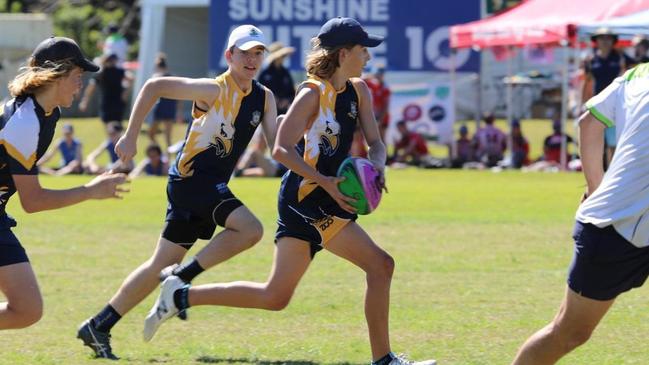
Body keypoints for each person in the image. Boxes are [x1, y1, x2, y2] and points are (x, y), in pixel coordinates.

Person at [145, 17, 436, 365]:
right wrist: (326, 181)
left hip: (328, 195)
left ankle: (180, 297)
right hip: (307, 198)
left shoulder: (359, 90)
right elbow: (281, 149)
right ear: (344, 54)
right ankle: (384, 360)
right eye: (363, 51)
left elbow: (375, 142)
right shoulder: (312, 93)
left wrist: (378, 166)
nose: (368, 57)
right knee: (381, 265)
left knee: (275, 296)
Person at [77, 25, 277, 359]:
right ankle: (179, 281)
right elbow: (154, 86)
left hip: (207, 185)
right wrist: (129, 136)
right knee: (250, 229)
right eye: (245, 53)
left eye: (258, 53)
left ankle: (98, 325)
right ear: (229, 55)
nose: (252, 59)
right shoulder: (212, 89)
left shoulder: (264, 97)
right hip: (191, 180)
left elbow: (277, 145)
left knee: (161, 262)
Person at [511, 62, 649, 365]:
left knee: (567, 333)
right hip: (617, 226)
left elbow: (589, 121)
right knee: (570, 332)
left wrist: (595, 187)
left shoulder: (639, 74)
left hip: (611, 218)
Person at [0, 36, 127, 331]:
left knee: (27, 309)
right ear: (57, 74)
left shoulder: (48, 114)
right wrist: (90, 191)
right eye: (77, 76)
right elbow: (33, 202)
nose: (81, 84)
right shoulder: (24, 122)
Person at [582, 27, 626, 166]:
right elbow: (587, 82)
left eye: (608, 38)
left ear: (613, 41)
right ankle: (600, 176)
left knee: (614, 143)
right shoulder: (591, 59)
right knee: (596, 143)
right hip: (597, 103)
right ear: (597, 41)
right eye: (602, 38)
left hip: (616, 104)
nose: (605, 41)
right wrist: (583, 103)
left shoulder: (620, 58)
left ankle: (613, 174)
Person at [78, 53, 133, 130]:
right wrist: (125, 92)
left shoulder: (103, 73)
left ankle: (114, 140)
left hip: (112, 103)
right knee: (115, 127)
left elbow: (91, 87)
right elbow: (131, 78)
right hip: (113, 102)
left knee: (112, 127)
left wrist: (84, 101)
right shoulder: (107, 73)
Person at [148, 53, 182, 149]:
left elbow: (151, 96)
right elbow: (180, 97)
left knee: (151, 134)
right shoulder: (174, 77)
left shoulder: (156, 77)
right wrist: (179, 112)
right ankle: (166, 156)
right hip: (171, 108)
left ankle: (162, 154)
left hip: (161, 107)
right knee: (168, 137)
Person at [258, 42, 296, 115]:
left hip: (283, 112)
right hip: (267, 113)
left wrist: (286, 100)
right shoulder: (265, 73)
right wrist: (271, 99)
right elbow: (259, 91)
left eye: (284, 56)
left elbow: (292, 93)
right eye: (282, 56)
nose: (283, 58)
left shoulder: (285, 72)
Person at [364, 64, 390, 142]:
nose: (378, 76)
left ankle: (384, 154)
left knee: (381, 138)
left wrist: (380, 120)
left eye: (380, 74)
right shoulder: (374, 85)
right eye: (377, 74)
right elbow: (361, 80)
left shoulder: (385, 88)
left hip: (382, 117)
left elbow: (385, 107)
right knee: (373, 140)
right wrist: (371, 75)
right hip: (375, 116)